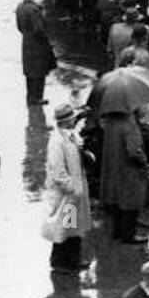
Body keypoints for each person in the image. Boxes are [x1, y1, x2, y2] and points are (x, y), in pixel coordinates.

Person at [44, 102, 91, 272]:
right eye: (72, 119)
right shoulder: (57, 142)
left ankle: (72, 259)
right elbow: (58, 172)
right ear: (66, 121)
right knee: (65, 228)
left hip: (74, 193)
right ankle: (61, 262)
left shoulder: (68, 135)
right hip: (67, 195)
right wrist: (72, 188)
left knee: (72, 228)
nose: (74, 121)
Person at [99, 108, 149, 245]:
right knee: (130, 202)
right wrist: (144, 160)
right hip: (128, 170)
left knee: (117, 201)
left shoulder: (112, 120)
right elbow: (134, 151)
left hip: (114, 167)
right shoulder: (130, 125)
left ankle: (117, 232)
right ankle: (128, 235)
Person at [15, 0, 56, 106]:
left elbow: (19, 27)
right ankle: (37, 97)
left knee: (30, 71)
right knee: (39, 71)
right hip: (37, 44)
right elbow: (39, 30)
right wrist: (46, 38)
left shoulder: (20, 7)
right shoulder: (34, 10)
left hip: (26, 41)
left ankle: (30, 96)